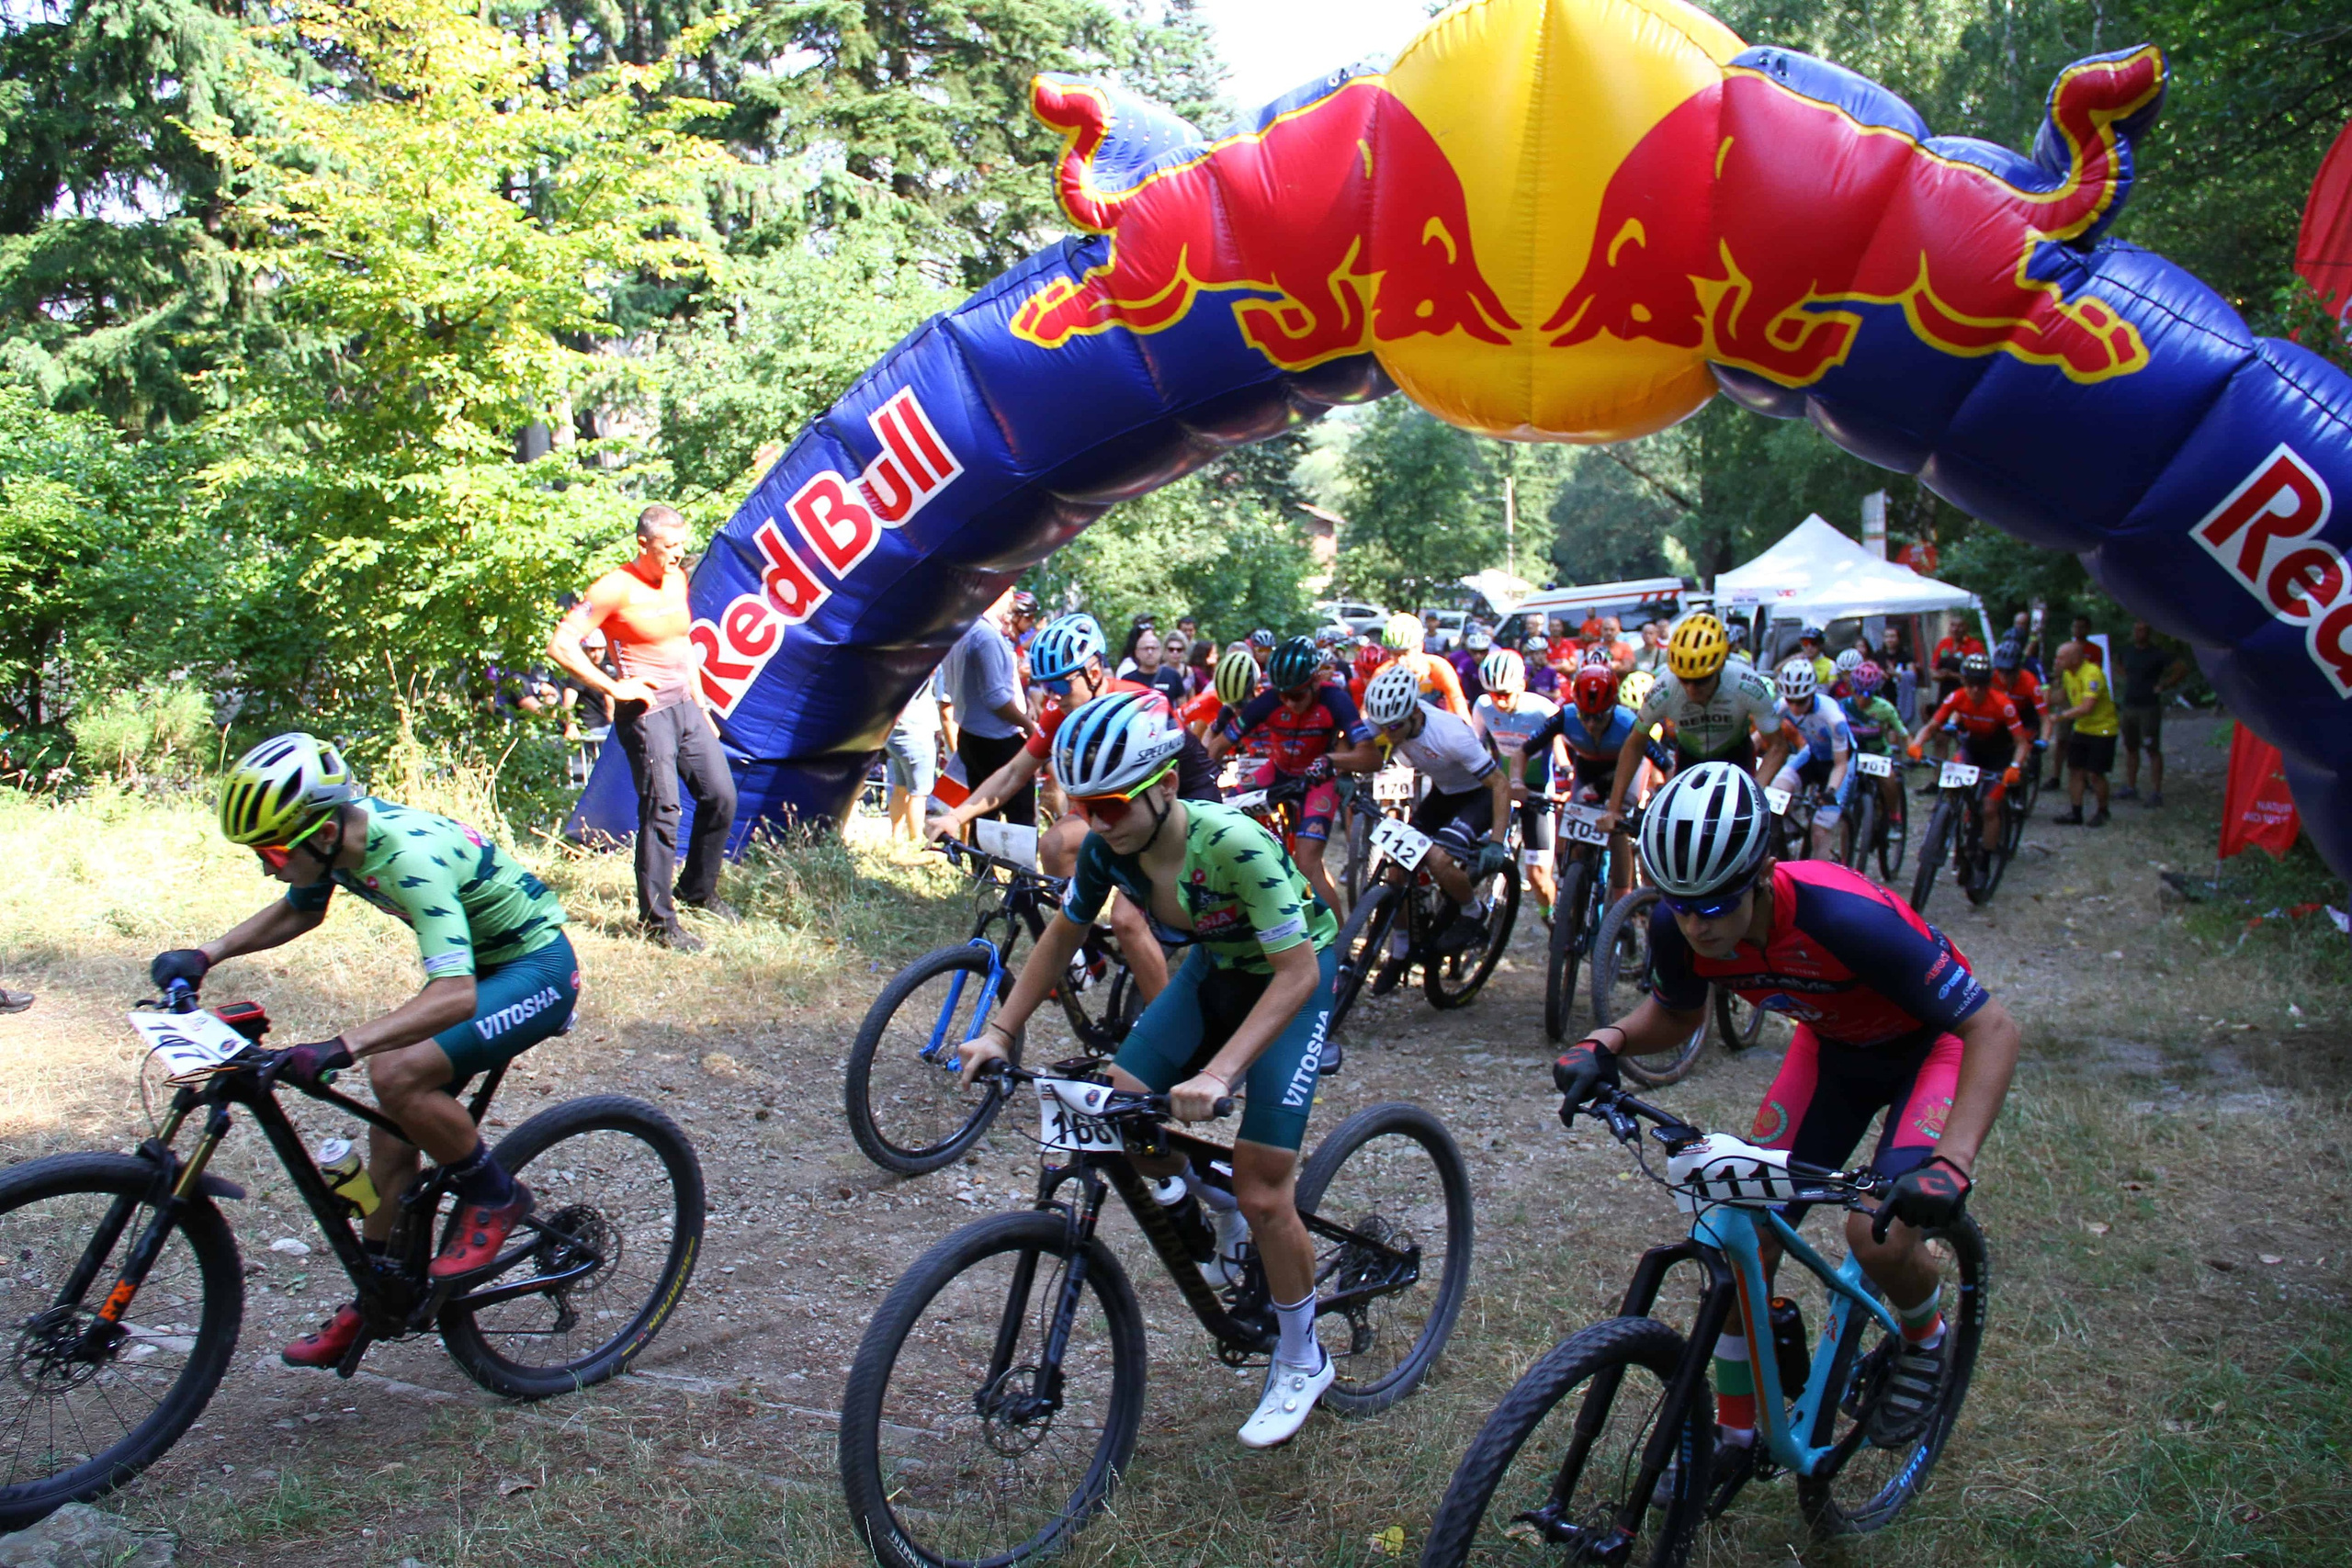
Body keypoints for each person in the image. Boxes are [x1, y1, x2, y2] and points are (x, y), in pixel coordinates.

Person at [1554, 761, 2018, 1474]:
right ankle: (1737, 1436)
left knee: (1876, 1230)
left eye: (1715, 905)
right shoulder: (1684, 922)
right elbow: (1677, 1014)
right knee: (1740, 1226)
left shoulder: (1844, 916)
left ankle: (1925, 1340)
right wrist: (1608, 1040)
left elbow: (1992, 1027)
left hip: (1932, 1045)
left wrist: (1952, 1164)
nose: (1697, 924)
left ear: (1764, 875)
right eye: (1680, 905)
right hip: (1831, 1047)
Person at [955, 692, 1341, 1450]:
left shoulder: (1233, 844)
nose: (1095, 823)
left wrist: (1222, 1073)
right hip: (1216, 971)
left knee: (1268, 1186)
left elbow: (1294, 974)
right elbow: (1065, 931)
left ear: (1166, 785)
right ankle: (1214, 1199)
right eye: (1081, 807)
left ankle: (1303, 1353)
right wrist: (1000, 1030)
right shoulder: (1106, 847)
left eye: (1109, 804)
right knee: (1120, 1111)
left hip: (1293, 975)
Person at [156, 734, 580, 1369]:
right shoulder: (335, 845)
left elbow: (456, 995)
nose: (267, 866)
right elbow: (301, 909)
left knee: (397, 1071)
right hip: (485, 970)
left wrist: (340, 1045)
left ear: (323, 833)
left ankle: (496, 1194)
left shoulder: (409, 857)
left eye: (272, 850)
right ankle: (380, 1288)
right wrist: (207, 954)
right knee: (390, 1124)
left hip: (534, 969)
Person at [933, 614, 1220, 999]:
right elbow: (1014, 772)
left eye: (1059, 684)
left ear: (1095, 671)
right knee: (1054, 845)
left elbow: (1151, 804)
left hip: (1179, 796)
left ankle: (1162, 1035)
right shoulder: (1061, 711)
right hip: (1124, 802)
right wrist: (955, 815)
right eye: (1043, 685)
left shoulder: (1137, 704)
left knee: (1126, 919)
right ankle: (1087, 954)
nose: (1051, 696)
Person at [548, 504, 736, 953]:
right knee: (663, 810)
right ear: (643, 545)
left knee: (720, 796)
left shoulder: (676, 578)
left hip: (686, 706)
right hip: (646, 713)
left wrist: (702, 703)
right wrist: (614, 685)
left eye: (681, 544)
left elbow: (683, 643)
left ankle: (698, 891)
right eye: (669, 546)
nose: (678, 553)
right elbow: (561, 644)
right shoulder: (615, 587)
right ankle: (658, 922)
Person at [1359, 662, 1516, 973]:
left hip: (1477, 795)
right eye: (1383, 727)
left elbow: (1500, 784)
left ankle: (1474, 912)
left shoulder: (1451, 734)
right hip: (1443, 793)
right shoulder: (1390, 719)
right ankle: (1401, 949)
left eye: (1393, 728)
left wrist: (1497, 842)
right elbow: (1356, 742)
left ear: (1414, 713)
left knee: (1438, 858)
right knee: (1397, 868)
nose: (1387, 735)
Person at [1208, 637, 1381, 915]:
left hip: (1318, 780)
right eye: (1282, 695)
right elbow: (1217, 746)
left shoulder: (1335, 700)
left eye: (1297, 695)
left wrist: (1332, 760)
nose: (1288, 702)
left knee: (1308, 867)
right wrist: (1203, 784)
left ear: (1314, 682)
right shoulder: (1267, 701)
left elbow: (1372, 758)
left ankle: (1340, 952)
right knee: (1223, 819)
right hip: (1277, 771)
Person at [1599, 614, 1797, 835]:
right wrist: (1613, 809)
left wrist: (1756, 795)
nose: (1692, 690)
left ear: (1721, 666)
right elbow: (1635, 744)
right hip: (1690, 763)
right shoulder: (1665, 688)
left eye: (1702, 681)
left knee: (1748, 835)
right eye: (1684, 680)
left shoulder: (1744, 683)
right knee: (1660, 840)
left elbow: (1778, 747)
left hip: (1736, 761)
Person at [1522, 663, 1644, 899]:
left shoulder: (1627, 721)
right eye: (1585, 716)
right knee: (1573, 819)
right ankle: (1570, 886)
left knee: (1617, 828)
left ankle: (1622, 897)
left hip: (1625, 772)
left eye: (1598, 718)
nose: (1590, 725)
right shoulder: (1566, 715)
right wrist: (1516, 781)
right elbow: (1526, 749)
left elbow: (1662, 762)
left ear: (1612, 709)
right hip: (1588, 772)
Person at [1905, 653, 2032, 872]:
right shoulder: (1956, 697)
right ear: (1964, 681)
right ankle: (1944, 825)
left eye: (1981, 684)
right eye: (1971, 684)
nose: (1975, 690)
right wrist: (1917, 744)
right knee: (1951, 787)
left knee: (1990, 808)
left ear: (1988, 684)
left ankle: (1985, 858)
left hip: (1999, 755)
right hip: (1972, 748)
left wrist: (2015, 766)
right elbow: (1931, 727)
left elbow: (2022, 743)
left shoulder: (2003, 704)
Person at [1471, 649, 1566, 916]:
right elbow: (1474, 744)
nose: (1499, 702)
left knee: (1536, 874)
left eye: (1505, 694)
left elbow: (1561, 749)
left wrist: (1567, 773)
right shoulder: (1483, 706)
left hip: (1538, 788)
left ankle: (1550, 916)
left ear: (1522, 686)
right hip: (1502, 785)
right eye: (1493, 694)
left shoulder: (1544, 709)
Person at [938, 589, 1037, 827]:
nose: (1013, 598)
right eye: (1010, 592)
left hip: (971, 734)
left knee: (980, 812)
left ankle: (981, 864)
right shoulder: (985, 636)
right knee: (1020, 814)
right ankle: (1018, 864)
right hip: (997, 738)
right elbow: (996, 698)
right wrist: (1027, 724)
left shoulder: (963, 630)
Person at [1770, 659, 1855, 861]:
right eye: (1790, 701)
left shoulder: (1832, 716)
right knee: (1774, 795)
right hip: (1813, 754)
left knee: (1820, 829)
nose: (1795, 707)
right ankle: (1786, 839)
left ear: (1812, 694)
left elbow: (1841, 763)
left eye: (1800, 701)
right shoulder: (1783, 705)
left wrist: (1830, 791)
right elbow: (1758, 737)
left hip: (1840, 762)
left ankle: (1820, 880)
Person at [2112, 621, 2185, 808]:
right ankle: (2130, 786)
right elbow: (2116, 662)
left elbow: (2181, 668)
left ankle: (2156, 791)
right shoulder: (2127, 651)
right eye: (2136, 629)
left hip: (2149, 707)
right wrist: (2123, 676)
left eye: (2143, 630)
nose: (2139, 633)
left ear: (2149, 632)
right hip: (2129, 705)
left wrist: (2165, 685)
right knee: (2130, 747)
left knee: (2152, 748)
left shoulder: (2157, 654)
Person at [1839, 660, 1907, 852]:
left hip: (1879, 754)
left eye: (1867, 694)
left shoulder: (1885, 708)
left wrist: (1912, 747)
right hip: (1854, 755)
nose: (1862, 698)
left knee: (1890, 778)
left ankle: (1895, 818)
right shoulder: (1843, 707)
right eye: (1858, 691)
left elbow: (1903, 732)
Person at [2051, 639, 2118, 826]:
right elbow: (2062, 696)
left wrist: (2060, 717)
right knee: (2075, 770)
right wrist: (2042, 697)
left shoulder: (2092, 674)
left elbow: (2087, 707)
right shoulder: (2067, 674)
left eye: (2061, 658)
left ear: (2074, 658)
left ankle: (2103, 810)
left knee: (2095, 773)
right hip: (2082, 728)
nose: (2057, 661)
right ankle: (2076, 811)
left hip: (2103, 729)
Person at [883, 671, 949, 855]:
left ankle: (895, 837)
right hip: (917, 731)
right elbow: (944, 700)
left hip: (895, 730)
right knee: (919, 794)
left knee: (901, 788)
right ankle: (915, 842)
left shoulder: (898, 661)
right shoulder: (929, 663)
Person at [1379, 612, 1470, 717]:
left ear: (1420, 647)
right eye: (1395, 654)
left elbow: (1457, 702)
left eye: (1405, 653)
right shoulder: (1383, 672)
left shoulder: (1439, 668)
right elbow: (1367, 712)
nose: (1401, 660)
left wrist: (1467, 730)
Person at [1126, 621, 1190, 706]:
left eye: (1153, 648)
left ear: (1160, 651)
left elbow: (1183, 707)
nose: (1150, 652)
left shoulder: (1173, 675)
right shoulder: (1128, 679)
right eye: (1145, 649)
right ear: (1137, 653)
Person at [1522, 634, 1562, 700]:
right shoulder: (1525, 670)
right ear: (1531, 655)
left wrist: (1542, 692)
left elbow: (1557, 695)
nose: (1540, 657)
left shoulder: (1551, 671)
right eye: (1537, 654)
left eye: (1543, 653)